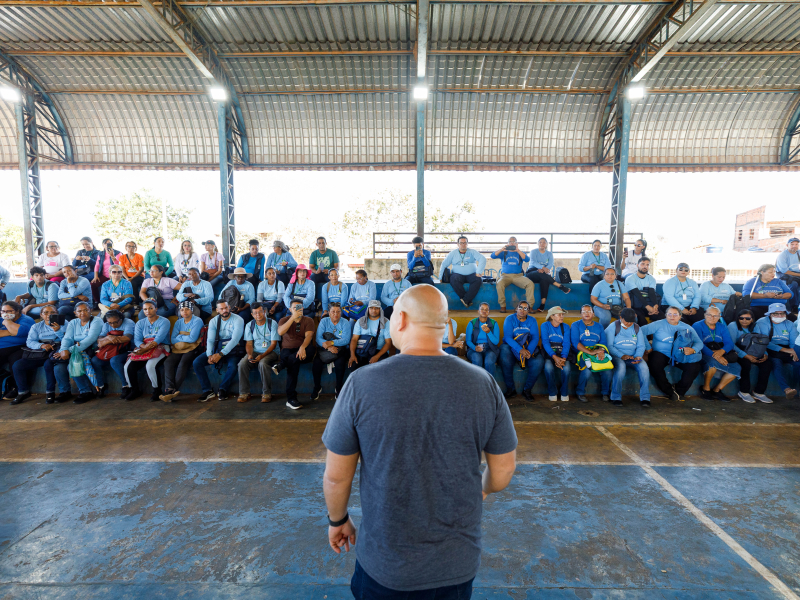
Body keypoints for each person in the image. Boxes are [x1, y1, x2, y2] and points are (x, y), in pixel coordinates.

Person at [321, 284, 517, 598]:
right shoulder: (484, 384)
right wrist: (483, 488)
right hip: (455, 565)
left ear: (400, 320)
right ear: (443, 323)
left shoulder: (361, 383)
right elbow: (503, 470)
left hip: (385, 565)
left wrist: (338, 520)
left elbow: (336, 476)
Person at [641, 306, 704, 401]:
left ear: (680, 316)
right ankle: (669, 391)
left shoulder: (687, 327)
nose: (672, 317)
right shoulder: (658, 324)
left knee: (694, 367)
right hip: (661, 354)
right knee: (654, 363)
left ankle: (679, 391)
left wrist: (693, 350)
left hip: (680, 355)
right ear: (666, 315)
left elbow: (699, 342)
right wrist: (648, 347)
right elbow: (640, 331)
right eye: (669, 314)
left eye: (675, 314)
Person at [48, 301, 103, 404]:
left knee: (73, 366)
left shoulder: (97, 321)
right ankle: (65, 392)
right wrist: (63, 350)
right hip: (74, 349)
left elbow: (90, 340)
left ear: (91, 310)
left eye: (85, 310)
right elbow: (67, 338)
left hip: (90, 350)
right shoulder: (73, 322)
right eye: (79, 311)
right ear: (75, 313)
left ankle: (86, 392)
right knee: (58, 367)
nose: (82, 313)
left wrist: (68, 351)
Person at [10, 305, 65, 405]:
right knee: (17, 365)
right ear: (41, 315)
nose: (49, 315)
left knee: (48, 364)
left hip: (56, 350)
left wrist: (58, 331)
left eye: (52, 313)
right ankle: (23, 391)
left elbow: (67, 339)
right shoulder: (36, 326)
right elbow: (30, 342)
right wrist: (41, 345)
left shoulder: (64, 323)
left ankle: (50, 392)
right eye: (46, 313)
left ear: (57, 313)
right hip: (40, 352)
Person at [192, 299, 245, 403]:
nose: (224, 310)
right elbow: (210, 340)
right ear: (217, 310)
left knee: (233, 366)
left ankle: (223, 389)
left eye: (226, 308)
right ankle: (207, 390)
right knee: (197, 362)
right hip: (218, 348)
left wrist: (220, 354)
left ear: (229, 307)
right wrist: (209, 355)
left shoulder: (238, 319)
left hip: (233, 350)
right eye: (221, 309)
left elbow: (235, 340)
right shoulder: (214, 321)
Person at [123, 300, 170, 402]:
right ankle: (134, 390)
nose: (148, 311)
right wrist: (143, 347)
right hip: (144, 347)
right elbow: (137, 340)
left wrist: (144, 349)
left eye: (150, 308)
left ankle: (157, 391)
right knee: (128, 366)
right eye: (145, 309)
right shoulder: (140, 323)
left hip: (160, 347)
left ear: (156, 309)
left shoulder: (164, 321)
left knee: (150, 366)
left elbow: (158, 339)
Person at [274, 298, 316, 410]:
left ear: (303, 308)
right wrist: (293, 318)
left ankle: (282, 365)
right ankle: (291, 399)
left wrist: (302, 347)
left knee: (310, 350)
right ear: (290, 309)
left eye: (300, 307)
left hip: (304, 349)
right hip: (288, 350)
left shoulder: (308, 320)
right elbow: (280, 332)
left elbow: (309, 336)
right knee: (293, 364)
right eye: (295, 308)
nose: (298, 309)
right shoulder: (284, 320)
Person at [693, 305, 741, 402]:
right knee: (712, 364)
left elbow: (729, 343)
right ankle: (706, 389)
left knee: (737, 367)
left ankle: (717, 390)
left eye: (715, 316)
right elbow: (699, 344)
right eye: (709, 315)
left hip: (720, 352)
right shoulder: (697, 325)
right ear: (704, 315)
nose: (712, 318)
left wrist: (721, 351)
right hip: (704, 352)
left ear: (719, 317)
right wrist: (715, 355)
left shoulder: (722, 326)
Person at [159, 301, 205, 403]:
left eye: (187, 309)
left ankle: (172, 391)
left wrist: (180, 336)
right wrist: (185, 336)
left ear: (191, 310)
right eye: (182, 310)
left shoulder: (197, 321)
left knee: (183, 363)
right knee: (168, 362)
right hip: (179, 348)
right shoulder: (178, 322)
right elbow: (173, 339)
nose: (184, 312)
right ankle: (169, 389)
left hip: (193, 348)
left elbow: (193, 339)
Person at [605, 308, 650, 407]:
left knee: (644, 368)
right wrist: (621, 355)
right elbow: (609, 346)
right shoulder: (613, 327)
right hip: (617, 356)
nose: (629, 324)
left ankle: (645, 398)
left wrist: (638, 356)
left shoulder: (637, 328)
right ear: (621, 317)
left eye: (631, 321)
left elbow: (641, 345)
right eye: (627, 321)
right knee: (621, 368)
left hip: (633, 356)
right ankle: (616, 397)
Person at [237, 302, 281, 404]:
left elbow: (273, 344)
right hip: (256, 351)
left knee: (263, 363)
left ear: (264, 311)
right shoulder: (249, 325)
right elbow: (249, 343)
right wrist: (250, 354)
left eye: (260, 312)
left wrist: (262, 356)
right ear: (252, 314)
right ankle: (244, 392)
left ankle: (266, 393)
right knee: (242, 364)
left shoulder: (272, 323)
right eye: (255, 313)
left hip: (271, 352)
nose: (258, 315)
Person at [500, 301, 543, 401]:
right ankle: (511, 389)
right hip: (512, 347)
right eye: (520, 307)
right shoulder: (509, 319)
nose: (522, 310)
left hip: (528, 347)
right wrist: (520, 350)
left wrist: (528, 351)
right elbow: (508, 337)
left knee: (539, 362)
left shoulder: (532, 320)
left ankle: (527, 390)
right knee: (504, 353)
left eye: (525, 308)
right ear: (516, 308)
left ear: (528, 311)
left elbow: (535, 338)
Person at [728, 309, 772, 404]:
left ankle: (759, 392)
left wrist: (765, 354)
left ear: (752, 319)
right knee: (745, 364)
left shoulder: (755, 326)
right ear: (738, 318)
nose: (744, 320)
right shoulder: (733, 325)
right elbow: (731, 344)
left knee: (767, 364)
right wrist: (745, 355)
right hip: (738, 352)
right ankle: (744, 391)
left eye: (747, 318)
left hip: (755, 352)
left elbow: (761, 342)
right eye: (741, 318)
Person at [754, 303, 798, 399]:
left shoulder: (789, 324)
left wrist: (794, 351)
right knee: (776, 364)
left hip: (788, 349)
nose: (779, 316)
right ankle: (787, 389)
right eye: (776, 313)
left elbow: (793, 341)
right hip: (769, 349)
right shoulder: (761, 323)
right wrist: (785, 350)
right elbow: (762, 342)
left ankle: (797, 389)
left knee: (798, 363)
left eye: (782, 313)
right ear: (770, 314)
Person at [90, 309, 135, 399]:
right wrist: (110, 337)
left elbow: (127, 338)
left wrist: (108, 339)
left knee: (114, 360)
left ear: (121, 318)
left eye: (115, 322)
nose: (113, 325)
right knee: (95, 360)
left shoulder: (128, 322)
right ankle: (101, 386)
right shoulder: (106, 325)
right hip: (110, 350)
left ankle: (125, 385)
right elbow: (99, 340)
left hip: (126, 350)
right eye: (110, 323)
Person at [571, 304, 612, 403]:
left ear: (593, 314)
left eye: (589, 311)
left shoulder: (599, 326)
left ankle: (605, 392)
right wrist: (590, 352)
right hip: (582, 352)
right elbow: (575, 343)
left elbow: (603, 342)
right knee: (587, 369)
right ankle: (580, 392)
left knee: (607, 370)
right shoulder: (576, 325)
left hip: (597, 351)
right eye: (584, 312)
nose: (587, 313)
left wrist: (601, 351)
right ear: (581, 314)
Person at [311, 302, 352, 401]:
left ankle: (338, 388)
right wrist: (329, 347)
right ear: (329, 312)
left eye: (338, 311)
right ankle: (317, 387)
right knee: (316, 363)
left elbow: (346, 340)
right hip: (325, 349)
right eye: (333, 311)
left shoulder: (345, 322)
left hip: (341, 349)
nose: (336, 314)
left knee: (340, 363)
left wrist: (332, 343)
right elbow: (318, 339)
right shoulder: (324, 321)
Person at [0, 301, 35, 401]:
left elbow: (18, 331)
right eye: (3, 311)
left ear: (17, 311)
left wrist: (7, 322)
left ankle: (18, 389)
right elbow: (15, 332)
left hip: (20, 347)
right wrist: (10, 332)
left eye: (9, 311)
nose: (5, 313)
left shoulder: (26, 320)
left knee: (15, 363)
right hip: (3, 348)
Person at [525, 237, 570, 314]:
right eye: (540, 242)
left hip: (544, 273)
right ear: (538, 243)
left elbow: (550, 264)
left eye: (544, 242)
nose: (542, 244)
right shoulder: (533, 251)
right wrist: (542, 268)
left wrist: (545, 269)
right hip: (532, 272)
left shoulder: (549, 254)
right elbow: (533, 262)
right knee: (543, 275)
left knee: (544, 280)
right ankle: (559, 286)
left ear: (546, 244)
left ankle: (542, 305)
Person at [439, 236, 486, 308]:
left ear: (467, 243)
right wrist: (440, 277)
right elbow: (444, 264)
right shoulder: (452, 253)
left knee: (478, 279)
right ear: (458, 244)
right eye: (461, 243)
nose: (463, 244)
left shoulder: (472, 252)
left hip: (472, 274)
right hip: (457, 275)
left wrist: (478, 272)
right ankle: (467, 300)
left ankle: (466, 300)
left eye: (465, 243)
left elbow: (483, 259)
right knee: (453, 279)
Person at [491, 236, 535, 314]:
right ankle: (503, 306)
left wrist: (518, 250)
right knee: (499, 283)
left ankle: (529, 306)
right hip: (505, 276)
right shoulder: (504, 252)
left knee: (530, 283)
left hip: (518, 276)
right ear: (508, 243)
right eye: (510, 242)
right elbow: (492, 256)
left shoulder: (520, 252)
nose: (512, 243)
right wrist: (502, 249)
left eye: (514, 242)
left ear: (516, 243)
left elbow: (527, 259)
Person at [348, 300, 392, 372]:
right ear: (368, 309)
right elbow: (354, 339)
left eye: (376, 308)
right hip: (362, 349)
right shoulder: (360, 321)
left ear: (380, 309)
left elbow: (388, 343)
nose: (374, 310)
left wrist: (377, 356)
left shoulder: (386, 322)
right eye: (371, 308)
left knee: (379, 368)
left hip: (378, 351)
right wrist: (352, 355)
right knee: (353, 365)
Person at [541, 306, 572, 402]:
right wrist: (554, 357)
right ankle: (552, 391)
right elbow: (545, 342)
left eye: (562, 314)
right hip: (550, 353)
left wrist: (563, 358)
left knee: (566, 369)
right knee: (548, 368)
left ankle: (564, 392)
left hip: (562, 353)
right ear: (552, 316)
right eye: (559, 315)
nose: (562, 316)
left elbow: (566, 343)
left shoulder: (565, 327)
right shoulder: (545, 326)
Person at [625, 258, 665, 325]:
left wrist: (655, 306)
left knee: (661, 316)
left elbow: (652, 293)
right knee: (642, 320)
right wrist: (648, 307)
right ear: (637, 265)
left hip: (648, 304)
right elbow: (637, 294)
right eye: (643, 264)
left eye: (647, 265)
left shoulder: (651, 279)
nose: (645, 266)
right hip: (635, 306)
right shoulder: (630, 278)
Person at [465, 302, 500, 374]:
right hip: (474, 348)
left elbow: (496, 342)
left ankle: (489, 381)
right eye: (482, 309)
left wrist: (489, 332)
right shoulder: (472, 323)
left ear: (489, 312)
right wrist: (475, 348)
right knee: (477, 359)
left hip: (490, 348)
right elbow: (468, 340)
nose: (484, 311)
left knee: (489, 361)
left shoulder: (494, 323)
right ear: (478, 311)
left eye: (486, 310)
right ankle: (477, 381)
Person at [91, 238, 122, 303]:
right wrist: (96, 276)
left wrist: (112, 256)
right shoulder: (101, 254)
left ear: (112, 244)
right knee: (93, 284)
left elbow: (119, 266)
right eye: (105, 243)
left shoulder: (118, 253)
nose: (107, 245)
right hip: (104, 275)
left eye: (109, 243)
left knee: (112, 285)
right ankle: (97, 301)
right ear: (103, 245)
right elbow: (97, 265)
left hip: (115, 275)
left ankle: (114, 302)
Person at [776, 237, 800, 313]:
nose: (794, 246)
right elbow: (785, 271)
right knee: (793, 285)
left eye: (796, 244)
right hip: (785, 275)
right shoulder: (783, 255)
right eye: (792, 244)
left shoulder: (798, 253)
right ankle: (794, 307)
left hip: (797, 274)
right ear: (787, 245)